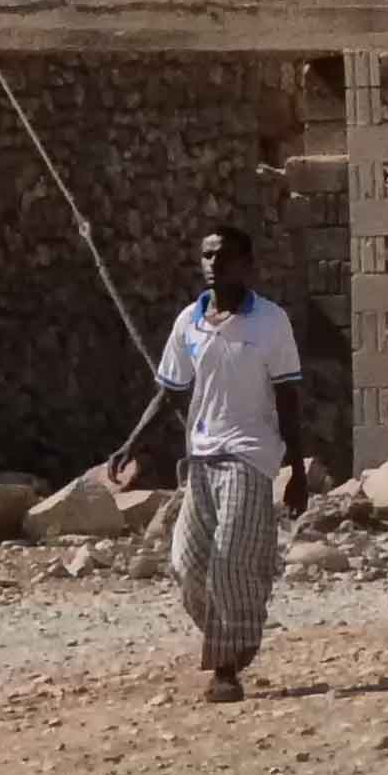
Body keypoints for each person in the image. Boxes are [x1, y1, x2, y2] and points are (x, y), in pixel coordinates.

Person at [102, 224, 325, 699]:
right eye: (205, 257)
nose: (211, 266)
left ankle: (225, 670)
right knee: (186, 563)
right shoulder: (190, 322)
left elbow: (288, 398)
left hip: (251, 455)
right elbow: (170, 390)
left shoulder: (271, 323)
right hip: (201, 458)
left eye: (221, 257)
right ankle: (239, 629)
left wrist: (297, 472)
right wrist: (131, 442)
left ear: (246, 265)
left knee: (228, 561)